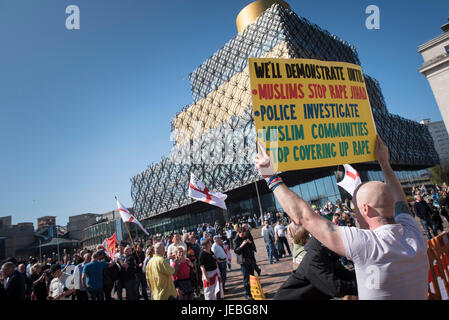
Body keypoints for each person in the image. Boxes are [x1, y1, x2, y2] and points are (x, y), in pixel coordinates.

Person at [255, 136, 429, 299]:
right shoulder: (413, 232)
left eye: (356, 207)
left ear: (366, 209)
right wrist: (384, 163)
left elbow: (304, 216)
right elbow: (400, 199)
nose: (355, 213)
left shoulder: (367, 244)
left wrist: (270, 177)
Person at [275, 236, 357, 300]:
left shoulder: (329, 255)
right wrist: (359, 286)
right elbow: (334, 287)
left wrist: (363, 277)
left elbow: (345, 274)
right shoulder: (315, 257)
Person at [233, 227, 256, 300]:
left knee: (252, 276)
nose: (243, 235)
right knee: (246, 278)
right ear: (238, 233)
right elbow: (236, 251)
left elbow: (252, 248)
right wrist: (242, 245)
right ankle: (247, 294)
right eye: (242, 234)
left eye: (244, 234)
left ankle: (253, 292)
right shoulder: (235, 240)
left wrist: (250, 243)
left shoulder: (246, 237)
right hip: (243, 261)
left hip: (250, 259)